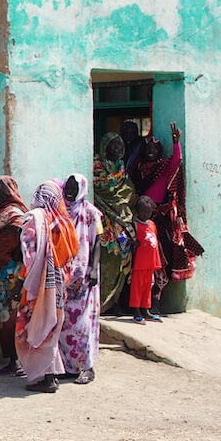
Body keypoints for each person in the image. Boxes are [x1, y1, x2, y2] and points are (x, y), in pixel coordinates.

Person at [128, 124, 202, 303]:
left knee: (163, 256)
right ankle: (136, 301)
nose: (151, 150)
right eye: (147, 147)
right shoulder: (137, 170)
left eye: (155, 147)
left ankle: (155, 298)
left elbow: (176, 162)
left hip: (160, 218)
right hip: (139, 219)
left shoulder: (163, 167)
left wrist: (176, 143)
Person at [16, 180, 78, 393]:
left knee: (39, 326)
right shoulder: (64, 220)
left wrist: (28, 278)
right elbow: (72, 252)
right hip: (60, 281)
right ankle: (49, 374)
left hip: (41, 282)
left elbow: (29, 253)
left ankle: (48, 378)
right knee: (51, 326)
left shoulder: (35, 218)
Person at [61, 174, 103, 384]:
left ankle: (87, 367)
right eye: (67, 186)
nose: (69, 190)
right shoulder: (60, 210)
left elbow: (98, 242)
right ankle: (68, 366)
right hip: (64, 275)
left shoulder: (91, 212)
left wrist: (93, 269)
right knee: (64, 323)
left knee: (83, 323)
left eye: (73, 187)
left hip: (84, 276)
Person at [0, 175, 28, 374]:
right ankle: (15, 359)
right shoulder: (10, 211)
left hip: (9, 272)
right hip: (11, 270)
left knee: (8, 315)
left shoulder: (10, 213)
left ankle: (15, 360)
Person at [91, 133, 135, 312]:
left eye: (120, 146)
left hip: (120, 217)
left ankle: (115, 300)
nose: (118, 149)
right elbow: (100, 189)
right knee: (107, 258)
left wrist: (122, 202)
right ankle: (102, 302)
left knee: (123, 258)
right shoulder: (96, 165)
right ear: (105, 147)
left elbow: (127, 188)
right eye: (113, 146)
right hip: (104, 217)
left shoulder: (121, 166)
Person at [129, 195, 163, 324]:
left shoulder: (152, 224)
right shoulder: (134, 225)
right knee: (137, 287)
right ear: (138, 211)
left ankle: (146, 309)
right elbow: (124, 239)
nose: (146, 214)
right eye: (143, 211)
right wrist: (133, 243)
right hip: (139, 262)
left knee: (148, 286)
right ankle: (136, 311)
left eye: (148, 212)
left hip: (151, 262)